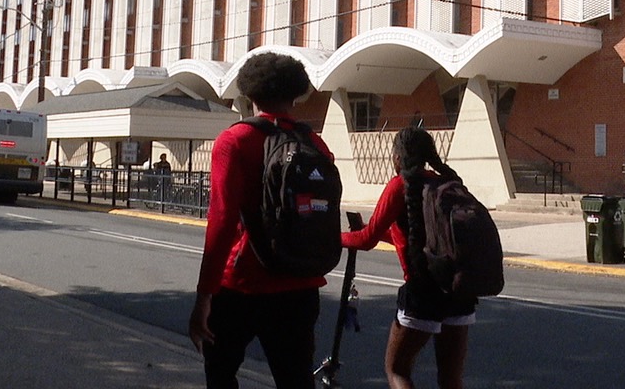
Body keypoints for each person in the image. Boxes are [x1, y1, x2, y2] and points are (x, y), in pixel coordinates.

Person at [188, 53, 333, 389]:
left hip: (241, 286)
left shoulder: (235, 141)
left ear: (249, 92)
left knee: (221, 375)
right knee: (296, 380)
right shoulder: (315, 143)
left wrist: (204, 295)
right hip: (300, 284)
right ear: (296, 94)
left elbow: (222, 221)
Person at [341, 127, 475, 389]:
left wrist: (336, 237)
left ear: (397, 157)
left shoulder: (399, 186)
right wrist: (377, 233)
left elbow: (366, 239)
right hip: (459, 289)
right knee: (450, 379)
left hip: (424, 292)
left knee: (397, 370)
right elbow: (419, 239)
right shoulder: (446, 183)